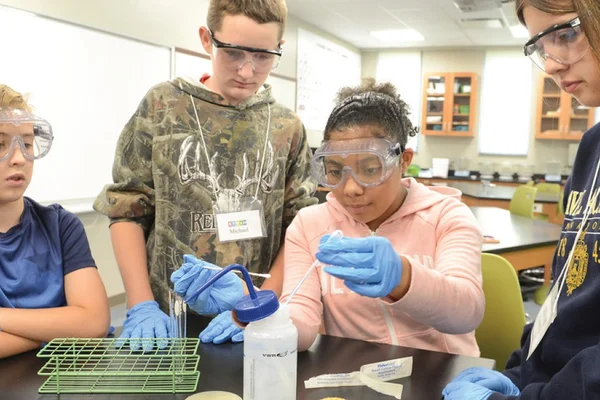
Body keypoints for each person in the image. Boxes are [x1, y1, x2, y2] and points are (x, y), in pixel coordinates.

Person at [94, 0, 316, 348]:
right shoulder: (164, 105)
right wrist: (140, 303)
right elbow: (127, 208)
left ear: (279, 49)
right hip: (168, 318)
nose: (246, 71)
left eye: (262, 56)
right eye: (233, 53)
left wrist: (256, 309)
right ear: (206, 39)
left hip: (252, 321)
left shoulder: (287, 127)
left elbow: (300, 229)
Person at [443, 0, 600, 398]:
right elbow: (567, 293)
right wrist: (521, 374)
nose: (552, 65)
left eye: (566, 35)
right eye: (542, 48)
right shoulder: (592, 147)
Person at [275, 78, 485, 354]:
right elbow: (301, 320)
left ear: (404, 161)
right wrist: (258, 317)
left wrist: (403, 277)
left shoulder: (446, 215)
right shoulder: (309, 224)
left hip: (443, 377)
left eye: (370, 169)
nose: (350, 189)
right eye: (336, 171)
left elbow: (466, 313)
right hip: (356, 379)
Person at [0, 84, 110, 359]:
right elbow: (82, 326)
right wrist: (57, 331)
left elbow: (94, 321)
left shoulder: (60, 226)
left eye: (25, 144)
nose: (18, 159)